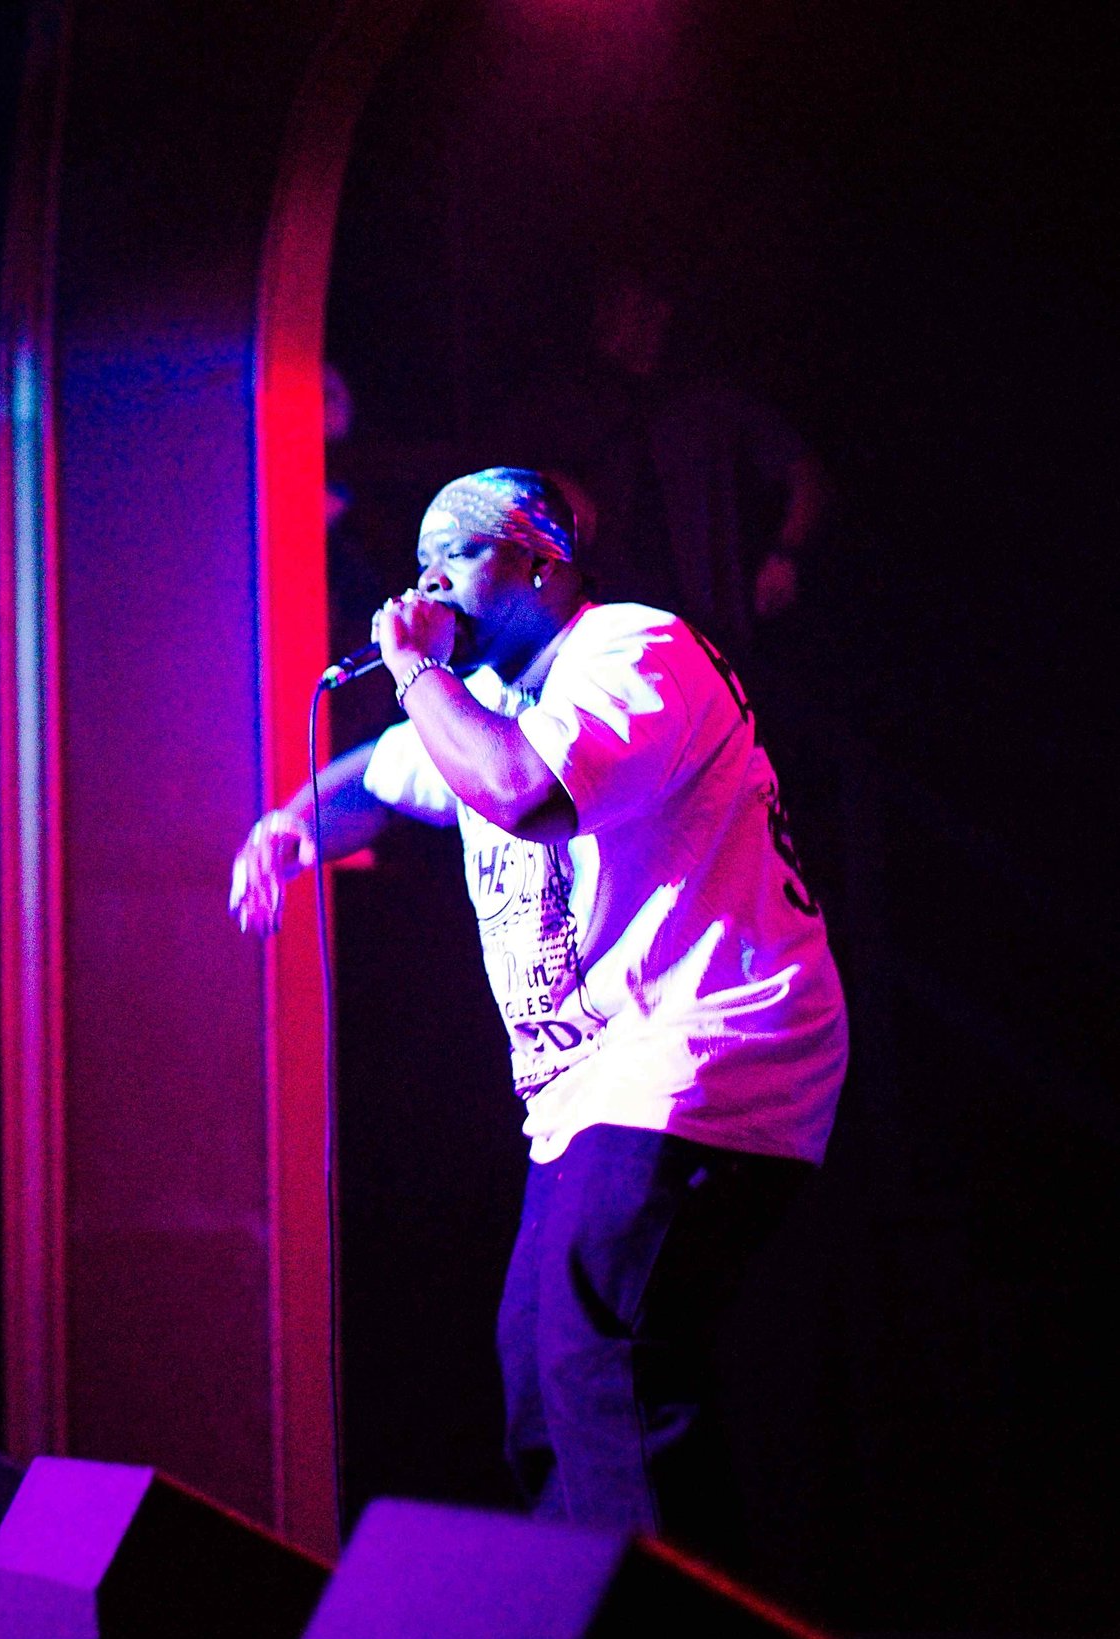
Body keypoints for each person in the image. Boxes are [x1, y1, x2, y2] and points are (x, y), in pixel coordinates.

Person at [230, 468, 847, 1549]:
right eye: (419, 564)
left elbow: (524, 791)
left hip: (712, 1042)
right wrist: (290, 823)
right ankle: (597, 1606)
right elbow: (380, 775)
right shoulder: (489, 702)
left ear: (542, 562)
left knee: (601, 1357)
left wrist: (417, 669)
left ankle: (669, 1622)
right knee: (537, 1378)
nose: (428, 584)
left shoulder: (629, 650)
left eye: (457, 555)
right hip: (597, 1084)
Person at [496, 274, 830, 663]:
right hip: (613, 624)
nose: (610, 320)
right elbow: (505, 483)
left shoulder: (709, 402)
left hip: (712, 623)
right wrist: (550, 486)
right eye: (606, 306)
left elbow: (807, 476)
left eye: (627, 304)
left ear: (659, 310)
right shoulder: (571, 405)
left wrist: (785, 556)